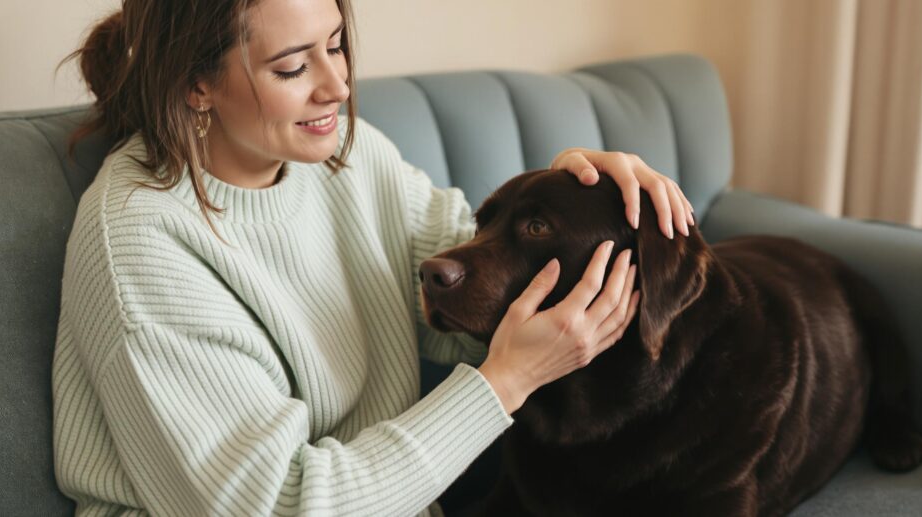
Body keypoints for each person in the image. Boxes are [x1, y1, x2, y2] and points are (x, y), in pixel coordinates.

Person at [51, 0, 695, 515]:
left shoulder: (341, 157)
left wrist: (570, 186)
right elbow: (279, 506)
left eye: (335, 45)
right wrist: (504, 382)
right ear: (196, 84)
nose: (337, 86)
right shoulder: (142, 245)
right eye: (292, 68)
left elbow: (465, 288)